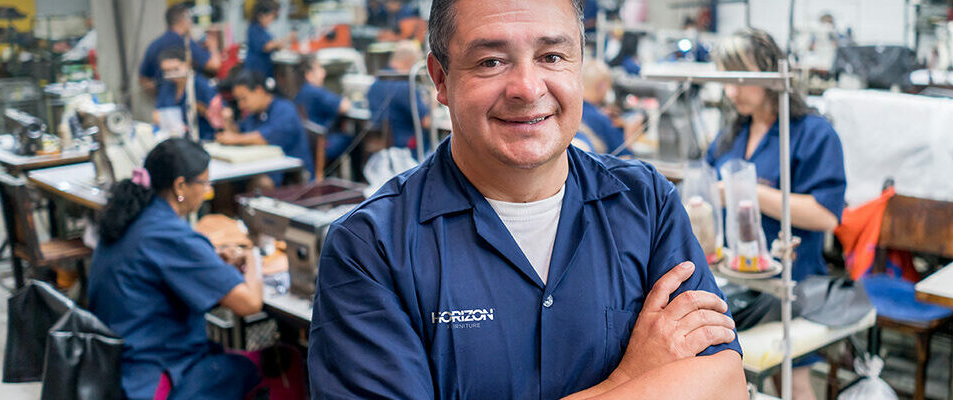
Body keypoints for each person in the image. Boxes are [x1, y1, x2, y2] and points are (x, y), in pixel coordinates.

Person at [306, 0, 746, 398]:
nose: (527, 87)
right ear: (440, 79)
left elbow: (725, 384)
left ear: (578, 66)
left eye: (551, 56)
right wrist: (629, 379)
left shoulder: (645, 204)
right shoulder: (371, 248)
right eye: (491, 61)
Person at [706, 28, 846, 400]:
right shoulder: (730, 135)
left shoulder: (813, 134)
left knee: (793, 383)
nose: (731, 91)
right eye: (725, 80)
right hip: (735, 278)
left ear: (769, 73)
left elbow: (826, 215)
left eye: (739, 79)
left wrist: (750, 192)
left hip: (791, 280)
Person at [88, 138, 263, 400]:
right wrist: (254, 255)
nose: (207, 192)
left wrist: (210, 256)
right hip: (152, 375)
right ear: (180, 185)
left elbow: (156, 262)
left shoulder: (132, 216)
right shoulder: (170, 234)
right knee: (262, 367)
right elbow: (250, 303)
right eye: (204, 183)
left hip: (115, 367)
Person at [216, 69, 313, 185]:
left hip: (291, 179)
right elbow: (241, 133)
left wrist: (233, 139)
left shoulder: (285, 110)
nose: (240, 105)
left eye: (243, 99)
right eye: (238, 100)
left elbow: (264, 138)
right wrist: (228, 122)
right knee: (224, 183)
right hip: (260, 169)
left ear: (259, 91)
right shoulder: (254, 114)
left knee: (261, 183)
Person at [139, 4, 220, 93]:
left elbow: (144, 79)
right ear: (184, 19)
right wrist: (213, 45)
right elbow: (213, 65)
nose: (191, 22)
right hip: (192, 100)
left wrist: (162, 95)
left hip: (166, 103)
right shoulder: (185, 43)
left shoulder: (154, 45)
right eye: (190, 18)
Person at [366, 41, 430, 153]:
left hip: (382, 151)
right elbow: (426, 122)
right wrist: (433, 99)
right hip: (405, 149)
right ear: (411, 62)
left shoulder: (375, 83)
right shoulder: (404, 86)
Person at [293, 56, 353, 160]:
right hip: (321, 144)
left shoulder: (301, 92)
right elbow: (344, 106)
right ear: (309, 75)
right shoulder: (316, 92)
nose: (324, 73)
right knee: (354, 139)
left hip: (308, 144)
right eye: (320, 68)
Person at [579, 59, 640, 156]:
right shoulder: (604, 121)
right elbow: (626, 161)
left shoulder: (573, 112)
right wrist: (630, 134)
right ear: (601, 85)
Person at [153, 48, 217, 141]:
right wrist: (174, 125)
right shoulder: (167, 86)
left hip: (203, 138)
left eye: (176, 69)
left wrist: (203, 110)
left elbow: (217, 115)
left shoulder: (202, 86)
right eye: (167, 71)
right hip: (175, 139)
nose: (172, 74)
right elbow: (157, 113)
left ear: (187, 64)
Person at [244, 0, 289, 78]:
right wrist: (286, 39)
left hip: (265, 69)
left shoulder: (264, 31)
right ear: (261, 15)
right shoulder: (254, 29)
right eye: (270, 16)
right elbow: (266, 46)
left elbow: (272, 45)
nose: (272, 20)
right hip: (256, 69)